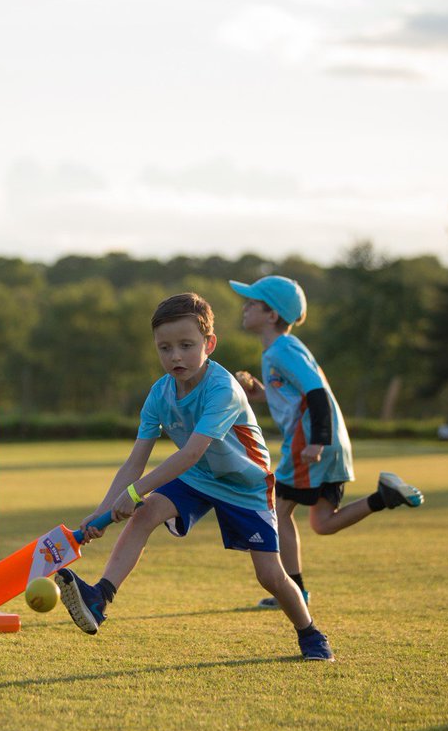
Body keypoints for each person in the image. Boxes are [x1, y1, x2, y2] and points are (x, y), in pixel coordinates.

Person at [54, 292, 336, 661]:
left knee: (269, 575)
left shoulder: (222, 389)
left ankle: (310, 633)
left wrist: (134, 493)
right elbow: (134, 461)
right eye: (165, 348)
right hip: (199, 477)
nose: (175, 357)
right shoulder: (160, 393)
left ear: (209, 344)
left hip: (245, 485)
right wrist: (104, 510)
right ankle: (100, 597)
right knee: (145, 513)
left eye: (187, 345)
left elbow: (190, 452)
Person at [228, 275, 424, 609]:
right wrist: (260, 394)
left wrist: (317, 440)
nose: (244, 308)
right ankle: (384, 497)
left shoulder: (282, 349)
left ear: (272, 315)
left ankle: (295, 591)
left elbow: (317, 393)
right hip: (331, 443)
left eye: (252, 303)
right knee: (322, 522)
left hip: (312, 443)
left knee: (276, 511)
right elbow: (296, 395)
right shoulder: (282, 349)